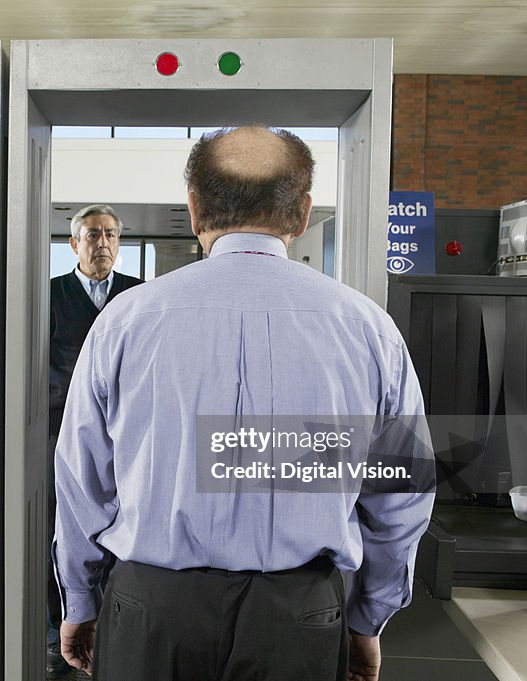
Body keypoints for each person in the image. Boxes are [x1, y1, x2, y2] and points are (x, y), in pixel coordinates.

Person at [53, 127, 435, 681]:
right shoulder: (369, 328)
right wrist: (366, 618)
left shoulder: (125, 320)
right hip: (301, 617)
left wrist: (81, 602)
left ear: (194, 210)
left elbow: (82, 483)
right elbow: (401, 496)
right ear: (302, 213)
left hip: (150, 613)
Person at [47, 204, 142, 677]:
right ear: (74, 244)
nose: (101, 243)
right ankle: (61, 624)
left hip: (128, 435)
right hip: (63, 429)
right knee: (66, 529)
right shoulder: (51, 295)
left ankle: (112, 623)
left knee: (122, 527)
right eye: (92, 235)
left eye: (109, 234)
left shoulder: (139, 295)